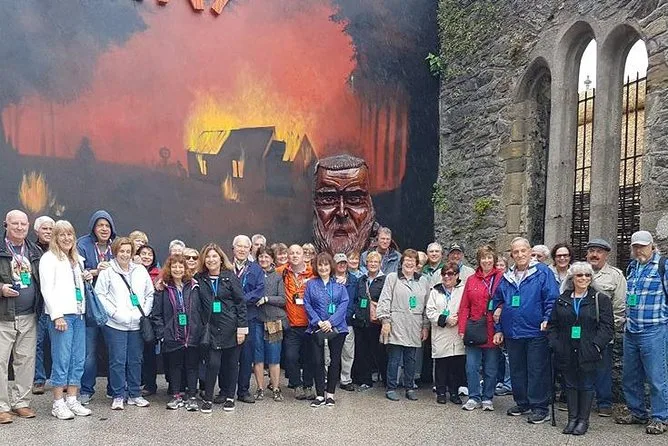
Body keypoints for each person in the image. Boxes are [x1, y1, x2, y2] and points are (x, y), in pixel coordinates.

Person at [492, 237, 559, 424]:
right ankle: (522, 402)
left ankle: (540, 407)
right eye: (516, 252)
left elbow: (552, 298)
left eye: (523, 250)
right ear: (511, 255)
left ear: (530, 252)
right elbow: (497, 302)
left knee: (537, 370)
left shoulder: (542, 272)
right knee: (517, 369)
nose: (520, 254)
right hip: (513, 331)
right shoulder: (507, 276)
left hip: (535, 331)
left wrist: (547, 319)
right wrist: (498, 328)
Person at [548, 262, 613, 435]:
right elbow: (553, 325)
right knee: (569, 384)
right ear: (572, 278)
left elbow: (607, 327)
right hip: (566, 348)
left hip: (588, 348)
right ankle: (572, 419)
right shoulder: (562, 300)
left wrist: (596, 346)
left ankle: (583, 420)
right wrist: (556, 344)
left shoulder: (600, 299)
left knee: (586, 384)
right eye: (579, 275)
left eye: (587, 275)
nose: (584, 278)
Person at [39, 220, 92, 419]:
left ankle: (72, 399)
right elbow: (47, 289)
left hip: (78, 315)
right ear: (55, 237)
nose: (67, 238)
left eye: (70, 234)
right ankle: (58, 403)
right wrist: (57, 315)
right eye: (62, 234)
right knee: (61, 359)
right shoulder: (49, 259)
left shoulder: (77, 259)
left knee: (78, 359)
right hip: (62, 316)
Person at [615, 231, 668, 435]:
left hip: (654, 329)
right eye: (636, 246)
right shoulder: (633, 267)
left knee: (657, 378)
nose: (639, 250)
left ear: (652, 246)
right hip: (632, 329)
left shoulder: (663, 266)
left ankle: (660, 417)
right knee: (630, 376)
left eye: (643, 246)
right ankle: (637, 412)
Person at [95, 237, 154, 410]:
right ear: (115, 252)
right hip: (115, 324)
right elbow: (100, 295)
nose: (125, 255)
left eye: (128, 251)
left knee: (135, 360)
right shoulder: (107, 271)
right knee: (117, 361)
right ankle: (118, 395)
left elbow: (149, 293)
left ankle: (135, 394)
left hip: (137, 324)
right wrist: (114, 313)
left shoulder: (140, 270)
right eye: (122, 251)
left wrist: (143, 312)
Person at [0, 210, 42, 423]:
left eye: (23, 224)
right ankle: (1, 406)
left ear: (28, 226)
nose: (19, 227)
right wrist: (1, 289)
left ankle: (21, 403)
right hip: (3, 315)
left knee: (26, 360)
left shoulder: (34, 250)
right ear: (5, 225)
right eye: (14, 223)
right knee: (0, 362)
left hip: (29, 315)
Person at [197, 243, 247, 413]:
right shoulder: (200, 278)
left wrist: (242, 328)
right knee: (212, 364)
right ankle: (208, 398)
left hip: (231, 328)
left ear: (220, 259)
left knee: (231, 364)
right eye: (208, 257)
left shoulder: (230, 277)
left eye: (214, 256)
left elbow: (241, 303)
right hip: (211, 329)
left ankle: (230, 397)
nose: (211, 260)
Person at [151, 254, 203, 411]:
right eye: (174, 266)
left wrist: (199, 329)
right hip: (172, 335)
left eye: (181, 266)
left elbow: (201, 309)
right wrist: (162, 333)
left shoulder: (194, 286)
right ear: (169, 268)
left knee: (192, 366)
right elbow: (156, 314)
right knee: (175, 366)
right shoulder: (163, 288)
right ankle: (176, 396)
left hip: (192, 334)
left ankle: (192, 397)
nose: (178, 269)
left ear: (186, 268)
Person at [376, 249, 430, 401]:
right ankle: (391, 388)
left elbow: (427, 305)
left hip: (414, 324)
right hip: (396, 323)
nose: (409, 263)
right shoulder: (392, 278)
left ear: (417, 264)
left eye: (412, 261)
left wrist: (425, 326)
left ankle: (409, 387)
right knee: (394, 358)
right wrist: (385, 321)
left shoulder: (423, 281)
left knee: (411, 358)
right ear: (402, 262)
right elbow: (385, 299)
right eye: (407, 260)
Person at [76, 209, 116, 404]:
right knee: (89, 352)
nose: (104, 229)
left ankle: (114, 389)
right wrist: (95, 271)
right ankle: (86, 390)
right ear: (93, 227)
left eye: (107, 225)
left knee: (113, 351)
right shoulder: (82, 244)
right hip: (90, 307)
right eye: (100, 225)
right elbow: (76, 271)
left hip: (112, 307)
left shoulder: (117, 245)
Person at [585, 238, 627, 417]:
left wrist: (608, 329)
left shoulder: (615, 276)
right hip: (582, 331)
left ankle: (604, 403)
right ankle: (580, 401)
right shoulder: (580, 272)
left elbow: (619, 306)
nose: (594, 255)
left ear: (606, 255)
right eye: (591, 251)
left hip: (603, 331)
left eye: (599, 251)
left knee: (603, 368)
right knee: (580, 366)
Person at [459, 245, 503, 411]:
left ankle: (487, 398)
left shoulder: (501, 278)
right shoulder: (471, 279)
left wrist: (500, 311)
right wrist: (462, 328)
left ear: (494, 259)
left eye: (489, 257)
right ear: (479, 260)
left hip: (493, 328)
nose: (486, 261)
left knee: (491, 367)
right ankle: (473, 396)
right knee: (472, 366)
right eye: (483, 257)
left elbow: (505, 300)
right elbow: (465, 305)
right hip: (474, 327)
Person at [304, 252, 349, 407]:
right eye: (320, 265)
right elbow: (307, 304)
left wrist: (331, 322)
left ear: (331, 266)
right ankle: (319, 395)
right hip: (316, 328)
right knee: (317, 360)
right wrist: (318, 321)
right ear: (316, 267)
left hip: (337, 328)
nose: (323, 268)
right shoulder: (311, 284)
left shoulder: (339, 284)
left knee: (334, 361)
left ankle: (330, 394)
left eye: (326, 264)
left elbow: (344, 304)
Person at [312, 155, 376, 256]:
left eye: (354, 199)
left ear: (370, 205)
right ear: (314, 204)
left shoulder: (389, 254)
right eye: (329, 200)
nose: (342, 213)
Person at [230, 235, 265, 404]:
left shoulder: (256, 269)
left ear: (250, 250)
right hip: (228, 317)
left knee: (246, 356)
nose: (242, 249)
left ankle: (243, 391)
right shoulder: (226, 267)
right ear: (233, 248)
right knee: (228, 356)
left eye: (245, 247)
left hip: (249, 316)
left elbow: (259, 290)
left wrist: (240, 299)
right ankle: (225, 390)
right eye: (239, 246)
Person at [279, 244, 316, 400]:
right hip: (291, 324)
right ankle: (297, 385)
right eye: (292, 253)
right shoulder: (282, 272)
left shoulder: (313, 273)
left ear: (303, 256)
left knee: (309, 357)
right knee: (291, 357)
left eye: (297, 253)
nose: (294, 255)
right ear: (288, 256)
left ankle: (308, 385)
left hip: (309, 324)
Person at [427, 262, 467, 405]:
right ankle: (441, 392)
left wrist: (458, 319)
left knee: (455, 364)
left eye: (450, 274)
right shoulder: (435, 291)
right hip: (441, 331)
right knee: (441, 364)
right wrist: (445, 319)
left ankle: (454, 392)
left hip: (457, 332)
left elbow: (467, 307)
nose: (446, 277)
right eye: (444, 274)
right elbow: (430, 311)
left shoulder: (463, 290)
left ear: (457, 275)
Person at [254, 247, 288, 402]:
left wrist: (267, 299)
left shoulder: (277, 277)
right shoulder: (252, 274)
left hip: (274, 321)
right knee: (258, 357)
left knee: (274, 357)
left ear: (272, 259)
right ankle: (260, 388)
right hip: (256, 320)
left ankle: (275, 388)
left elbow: (282, 299)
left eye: (267, 257)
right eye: (261, 256)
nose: (264, 259)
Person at [352, 251, 387, 389]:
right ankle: (366, 380)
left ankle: (387, 380)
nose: (372, 264)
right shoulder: (361, 280)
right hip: (361, 321)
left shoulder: (384, 280)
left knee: (380, 352)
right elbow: (356, 298)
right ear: (366, 263)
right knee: (362, 352)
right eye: (370, 261)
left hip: (376, 322)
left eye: (375, 262)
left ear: (380, 264)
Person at [32, 215, 55, 395]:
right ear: (36, 231)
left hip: (57, 303)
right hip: (39, 304)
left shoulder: (60, 250)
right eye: (44, 229)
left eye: (50, 229)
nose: (48, 232)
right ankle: (39, 379)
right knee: (37, 344)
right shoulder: (30, 250)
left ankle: (57, 379)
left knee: (58, 344)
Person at [332, 253, 358, 392]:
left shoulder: (354, 280)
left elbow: (356, 300)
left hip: (347, 322)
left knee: (347, 352)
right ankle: (327, 378)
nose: (342, 265)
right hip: (330, 322)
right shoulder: (329, 279)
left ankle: (346, 379)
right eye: (339, 263)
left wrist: (349, 313)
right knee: (328, 353)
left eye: (344, 263)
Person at [137, 244, 161, 397]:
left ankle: (150, 385)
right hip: (132, 317)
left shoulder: (159, 274)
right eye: (143, 254)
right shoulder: (131, 271)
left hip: (151, 319)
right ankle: (134, 382)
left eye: (149, 254)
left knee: (149, 354)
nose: (146, 257)